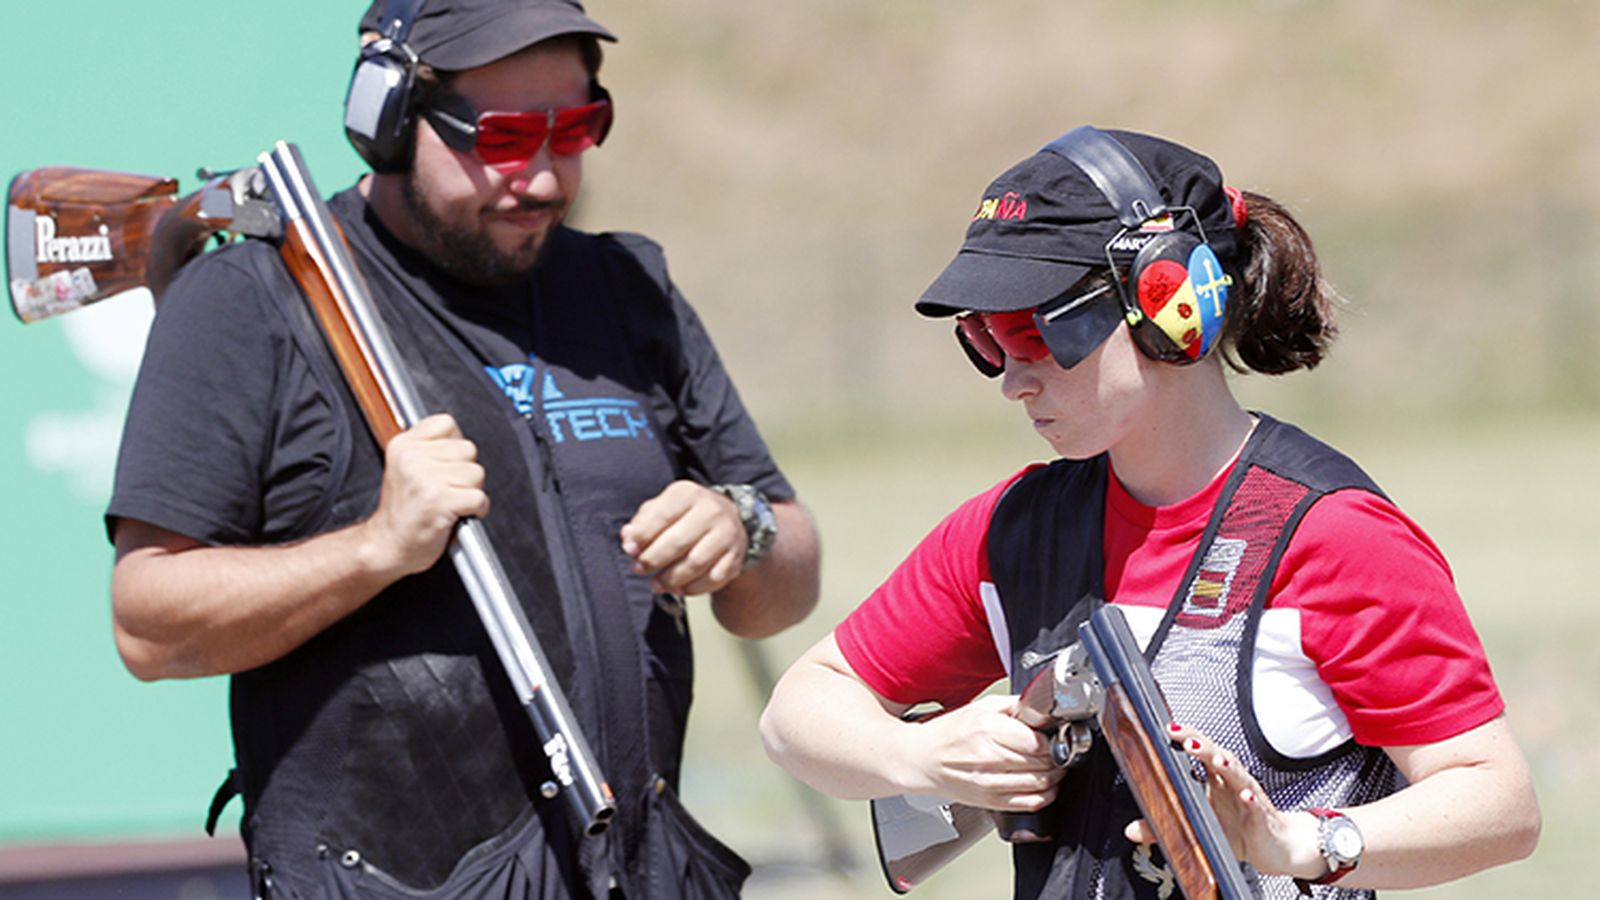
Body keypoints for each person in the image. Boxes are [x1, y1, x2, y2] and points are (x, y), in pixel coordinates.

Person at [107, 1, 820, 897]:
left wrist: (742, 530)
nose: (545, 177)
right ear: (386, 119)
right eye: (505, 136)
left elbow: (787, 578)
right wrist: (376, 549)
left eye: (577, 130)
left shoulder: (626, 287)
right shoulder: (252, 299)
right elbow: (147, 624)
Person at [759, 125, 1538, 899]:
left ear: (1168, 302)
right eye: (985, 339)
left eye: (1034, 333)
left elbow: (1498, 801)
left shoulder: (1331, 534)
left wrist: (1296, 841)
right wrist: (923, 758)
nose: (1012, 380)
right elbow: (797, 713)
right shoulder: (1013, 531)